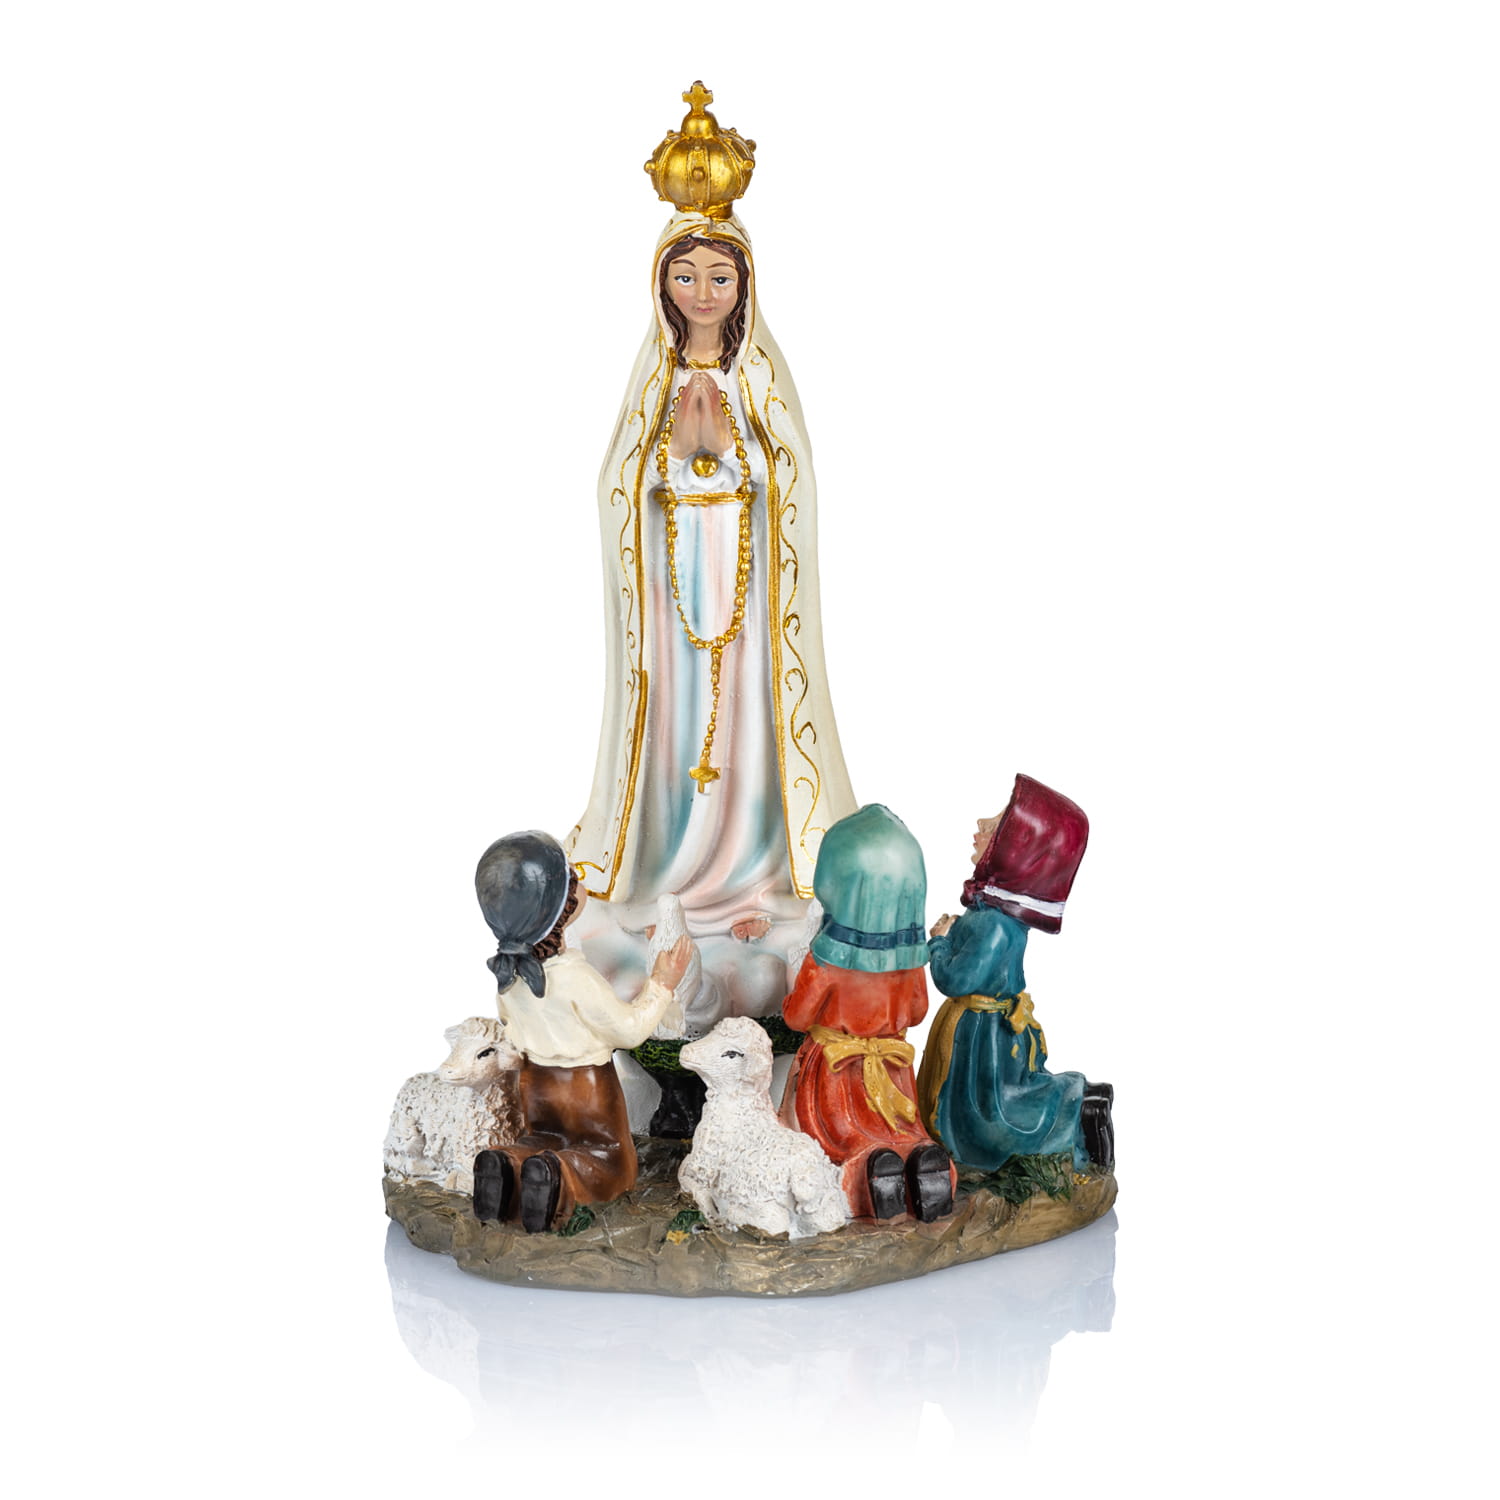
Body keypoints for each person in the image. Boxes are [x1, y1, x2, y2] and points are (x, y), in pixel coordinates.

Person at [566, 199, 857, 1003]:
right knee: (673, 726)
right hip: (673, 604)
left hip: (747, 601)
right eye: (686, 276)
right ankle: (666, 870)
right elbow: (618, 481)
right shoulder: (654, 380)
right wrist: (669, 476)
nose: (702, 293)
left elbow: (790, 477)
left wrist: (734, 468)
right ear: (661, 284)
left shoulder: (756, 377)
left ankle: (752, 873)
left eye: (719, 278)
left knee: (746, 729)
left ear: (745, 285)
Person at [470, 831, 691, 1233]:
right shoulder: (574, 976)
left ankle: (510, 1162)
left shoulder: (507, 979)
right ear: (561, 908)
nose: (582, 880)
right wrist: (662, 983)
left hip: (536, 1085)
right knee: (609, 1158)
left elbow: (511, 1029)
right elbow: (629, 1031)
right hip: (587, 1090)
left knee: (540, 1138)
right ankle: (560, 1174)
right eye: (574, 879)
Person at [916, 775, 1114, 1172]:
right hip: (989, 1028)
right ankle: (1078, 1103)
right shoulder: (991, 915)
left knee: (992, 1113)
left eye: (996, 825)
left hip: (983, 1036)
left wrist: (938, 943)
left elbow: (954, 980)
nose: (981, 824)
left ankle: (1076, 1105)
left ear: (1017, 852)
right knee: (1004, 1097)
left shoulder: (993, 924)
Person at [779, 805, 956, 1221]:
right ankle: (922, 1161)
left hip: (835, 1073)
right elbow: (917, 1011)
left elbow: (798, 1019)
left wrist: (787, 995)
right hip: (893, 1073)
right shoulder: (910, 961)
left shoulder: (826, 961)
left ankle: (872, 1171)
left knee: (845, 1135)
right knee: (901, 1129)